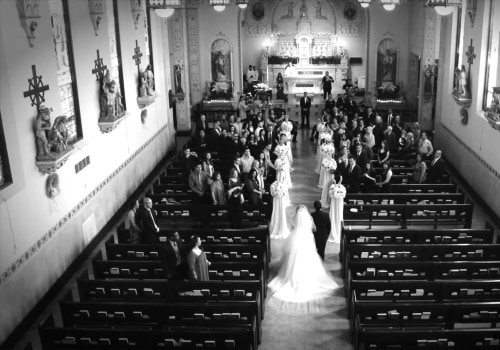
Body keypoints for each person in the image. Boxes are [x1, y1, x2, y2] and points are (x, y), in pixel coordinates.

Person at [267, 205, 338, 315]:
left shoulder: (293, 219)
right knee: (308, 259)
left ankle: (292, 277)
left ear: (297, 213)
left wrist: (297, 228)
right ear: (305, 213)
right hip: (307, 240)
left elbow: (291, 228)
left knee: (293, 259)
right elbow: (314, 229)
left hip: (296, 239)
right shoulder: (309, 219)